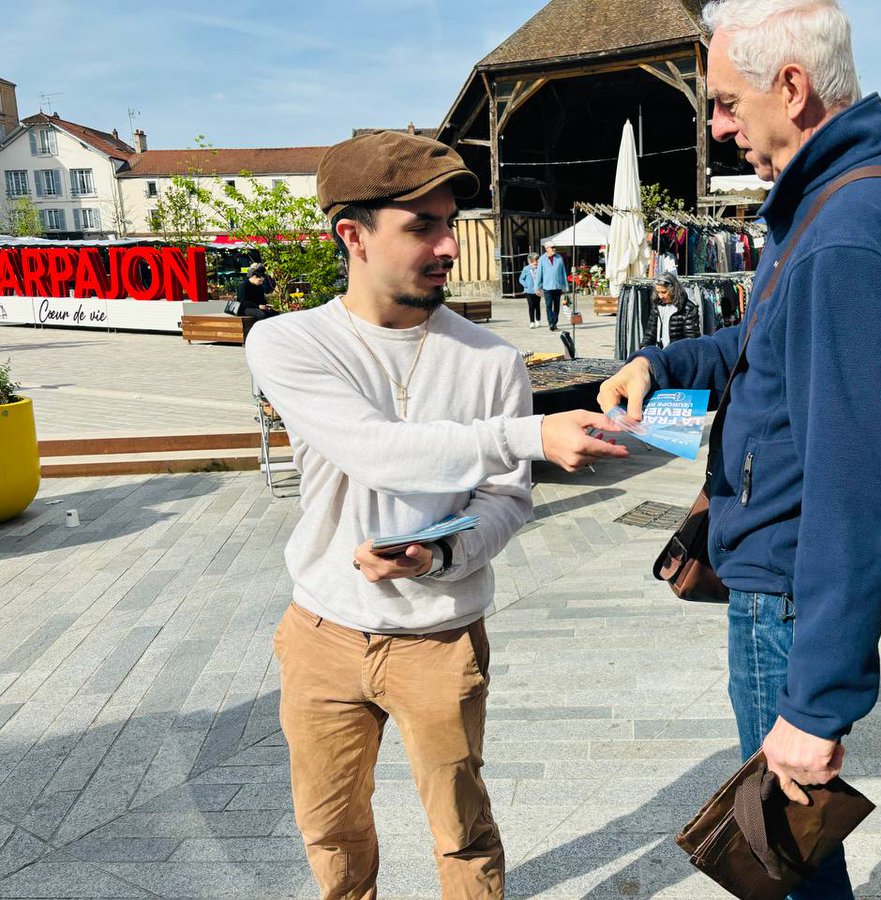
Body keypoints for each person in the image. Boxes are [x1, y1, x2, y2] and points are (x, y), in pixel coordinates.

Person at [599, 1, 881, 895]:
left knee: (785, 859)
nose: (718, 127)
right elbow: (764, 342)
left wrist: (816, 706)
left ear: (792, 87)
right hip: (796, 576)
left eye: (725, 102)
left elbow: (860, 485)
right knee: (796, 853)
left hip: (794, 588)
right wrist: (665, 360)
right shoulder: (862, 196)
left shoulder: (847, 232)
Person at [245, 130, 627, 900]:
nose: (450, 245)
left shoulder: (490, 359)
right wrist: (533, 434)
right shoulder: (289, 342)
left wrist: (441, 557)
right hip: (322, 632)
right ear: (351, 235)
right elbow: (374, 450)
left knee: (462, 833)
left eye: (451, 222)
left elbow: (507, 498)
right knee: (330, 828)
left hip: (440, 637)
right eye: (423, 225)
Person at [640, 272, 701, 349]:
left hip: (677, 354)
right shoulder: (657, 305)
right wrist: (645, 346)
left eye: (664, 292)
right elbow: (651, 331)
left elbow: (691, 338)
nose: (660, 296)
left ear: (673, 289)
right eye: (658, 292)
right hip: (660, 351)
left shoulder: (688, 308)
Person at [536, 242, 568, 331]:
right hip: (547, 287)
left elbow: (563, 273)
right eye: (552, 247)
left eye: (555, 247)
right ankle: (551, 323)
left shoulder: (559, 258)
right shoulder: (542, 259)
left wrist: (565, 286)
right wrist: (537, 287)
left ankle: (554, 322)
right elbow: (539, 274)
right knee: (549, 305)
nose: (554, 249)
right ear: (547, 249)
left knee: (557, 306)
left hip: (557, 286)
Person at [519, 252, 541, 328]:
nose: (537, 261)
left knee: (537, 305)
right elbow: (521, 279)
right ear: (531, 260)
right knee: (531, 306)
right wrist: (526, 286)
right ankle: (532, 322)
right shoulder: (526, 269)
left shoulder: (540, 268)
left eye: (538, 260)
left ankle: (538, 320)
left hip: (538, 290)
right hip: (529, 291)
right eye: (536, 260)